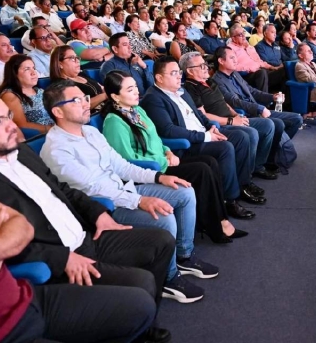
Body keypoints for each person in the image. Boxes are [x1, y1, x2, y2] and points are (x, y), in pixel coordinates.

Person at [0, 87, 174, 343]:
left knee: (160, 241)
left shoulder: (19, 151)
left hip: (85, 236)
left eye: (8, 115)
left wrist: (98, 214)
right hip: (56, 262)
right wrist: (61, 258)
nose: (11, 125)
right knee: (139, 289)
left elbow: (61, 189)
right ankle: (135, 323)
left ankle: (142, 325)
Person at [40, 79, 213, 303]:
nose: (86, 103)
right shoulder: (56, 150)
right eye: (77, 100)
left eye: (85, 98)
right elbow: (94, 188)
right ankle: (169, 279)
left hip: (124, 191)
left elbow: (120, 165)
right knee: (163, 216)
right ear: (57, 111)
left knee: (183, 192)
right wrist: (140, 200)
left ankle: (184, 254)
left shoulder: (90, 132)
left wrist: (159, 176)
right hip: (104, 207)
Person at [101, 70, 251, 242]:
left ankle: (220, 219)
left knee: (210, 162)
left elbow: (156, 139)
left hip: (165, 160)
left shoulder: (137, 111)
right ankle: (216, 226)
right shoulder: (114, 122)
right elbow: (126, 160)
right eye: (129, 90)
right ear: (115, 96)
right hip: (152, 171)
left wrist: (168, 151)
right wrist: (162, 161)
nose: (136, 91)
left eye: (135, 87)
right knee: (201, 170)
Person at [140, 56, 266, 207]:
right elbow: (169, 130)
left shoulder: (181, 91)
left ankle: (243, 183)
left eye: (179, 72)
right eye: (174, 73)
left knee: (241, 136)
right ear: (159, 78)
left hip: (204, 133)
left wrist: (211, 126)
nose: (179, 75)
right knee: (225, 147)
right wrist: (205, 136)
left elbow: (199, 114)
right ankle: (229, 199)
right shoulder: (153, 98)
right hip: (187, 144)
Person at [182, 51, 277, 180]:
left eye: (205, 64)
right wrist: (231, 121)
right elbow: (202, 116)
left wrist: (237, 114)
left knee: (268, 124)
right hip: (220, 125)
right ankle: (245, 178)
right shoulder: (190, 88)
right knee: (251, 133)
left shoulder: (209, 81)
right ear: (190, 71)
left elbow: (224, 103)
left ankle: (257, 166)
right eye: (201, 66)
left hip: (232, 118)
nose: (206, 68)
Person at [211, 46, 303, 166]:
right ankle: (260, 163)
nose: (236, 60)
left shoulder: (235, 75)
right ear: (221, 61)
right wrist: (259, 108)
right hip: (245, 114)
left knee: (297, 119)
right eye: (232, 57)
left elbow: (252, 91)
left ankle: (272, 152)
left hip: (257, 109)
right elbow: (234, 102)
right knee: (277, 124)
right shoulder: (216, 81)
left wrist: (271, 97)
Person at [0, 55, 54, 134]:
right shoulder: (10, 95)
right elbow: (22, 126)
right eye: (27, 69)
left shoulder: (40, 91)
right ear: (15, 73)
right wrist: (54, 129)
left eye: (33, 68)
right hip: (38, 138)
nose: (33, 72)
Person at [228, 23, 283, 93]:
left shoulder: (249, 47)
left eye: (244, 33)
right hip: (247, 75)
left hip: (260, 71)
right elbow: (233, 67)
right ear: (233, 38)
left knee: (284, 70)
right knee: (262, 73)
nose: (244, 36)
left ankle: (283, 101)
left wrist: (272, 67)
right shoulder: (230, 49)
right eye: (240, 35)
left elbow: (259, 61)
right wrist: (251, 68)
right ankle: (265, 102)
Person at [50, 45, 107, 109]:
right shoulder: (60, 84)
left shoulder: (81, 74)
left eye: (77, 57)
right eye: (72, 58)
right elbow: (81, 105)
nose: (77, 61)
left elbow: (102, 87)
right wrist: (105, 95)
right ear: (60, 64)